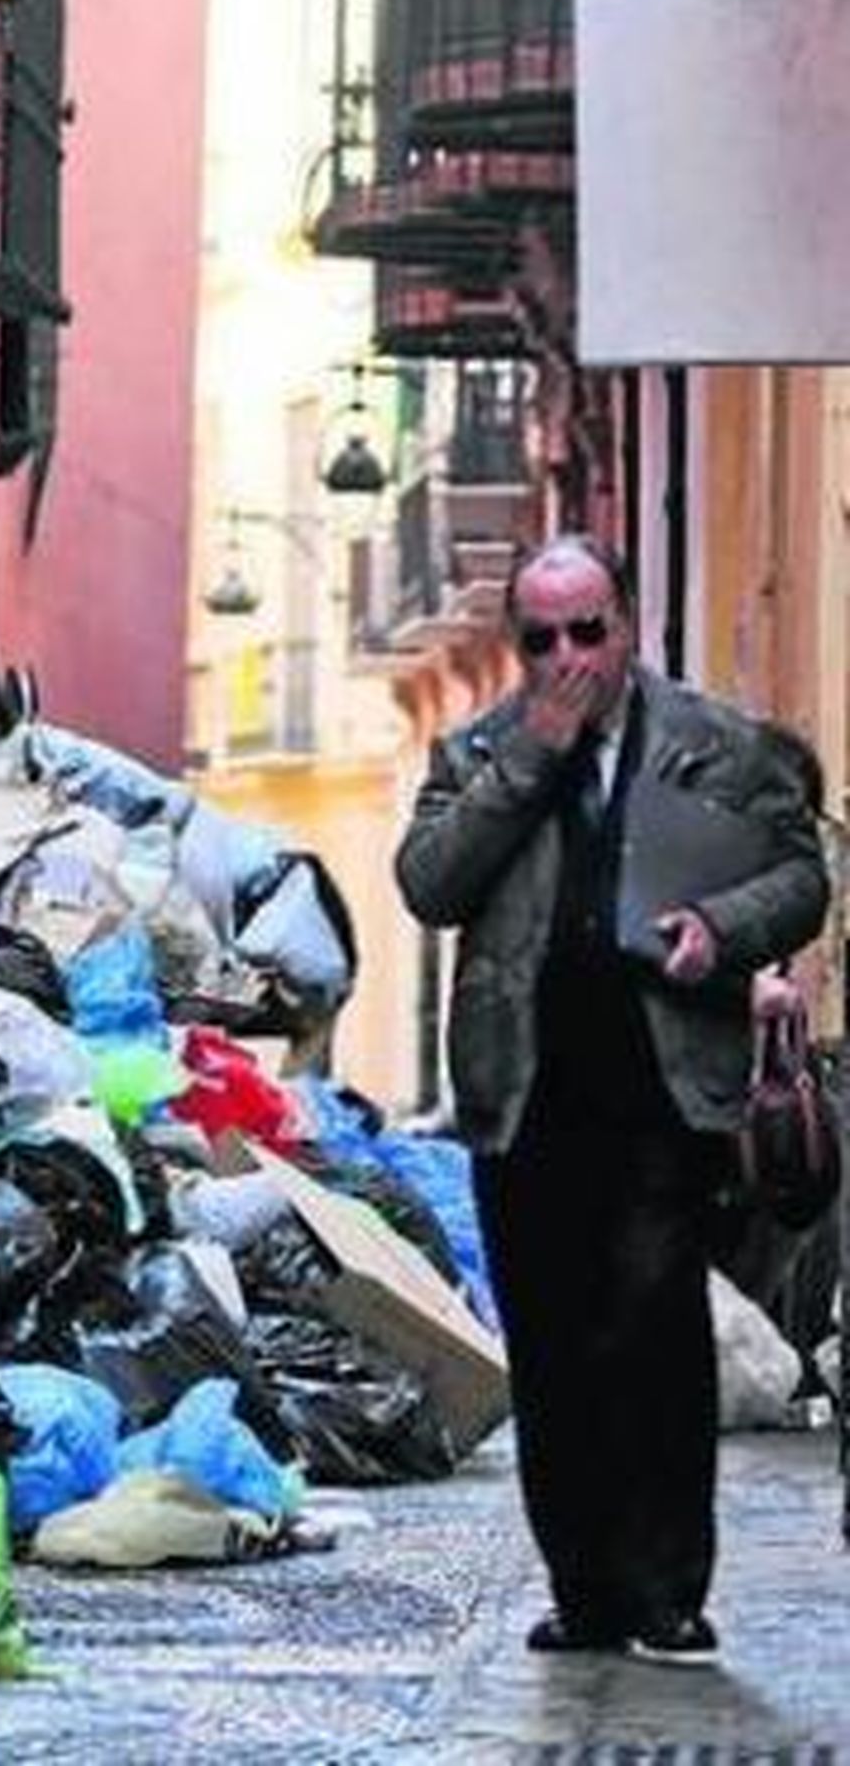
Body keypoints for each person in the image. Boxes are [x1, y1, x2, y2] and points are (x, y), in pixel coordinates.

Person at [395, 532, 828, 1666]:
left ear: (626, 626)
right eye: (542, 639)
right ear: (517, 646)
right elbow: (428, 884)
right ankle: (584, 1592)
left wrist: (721, 932)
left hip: (660, 1092)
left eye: (588, 630)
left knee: (653, 1337)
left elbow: (799, 875)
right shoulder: (481, 750)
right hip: (524, 1096)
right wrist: (530, 756)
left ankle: (669, 1591)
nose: (568, 657)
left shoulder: (714, 744)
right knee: (551, 1349)